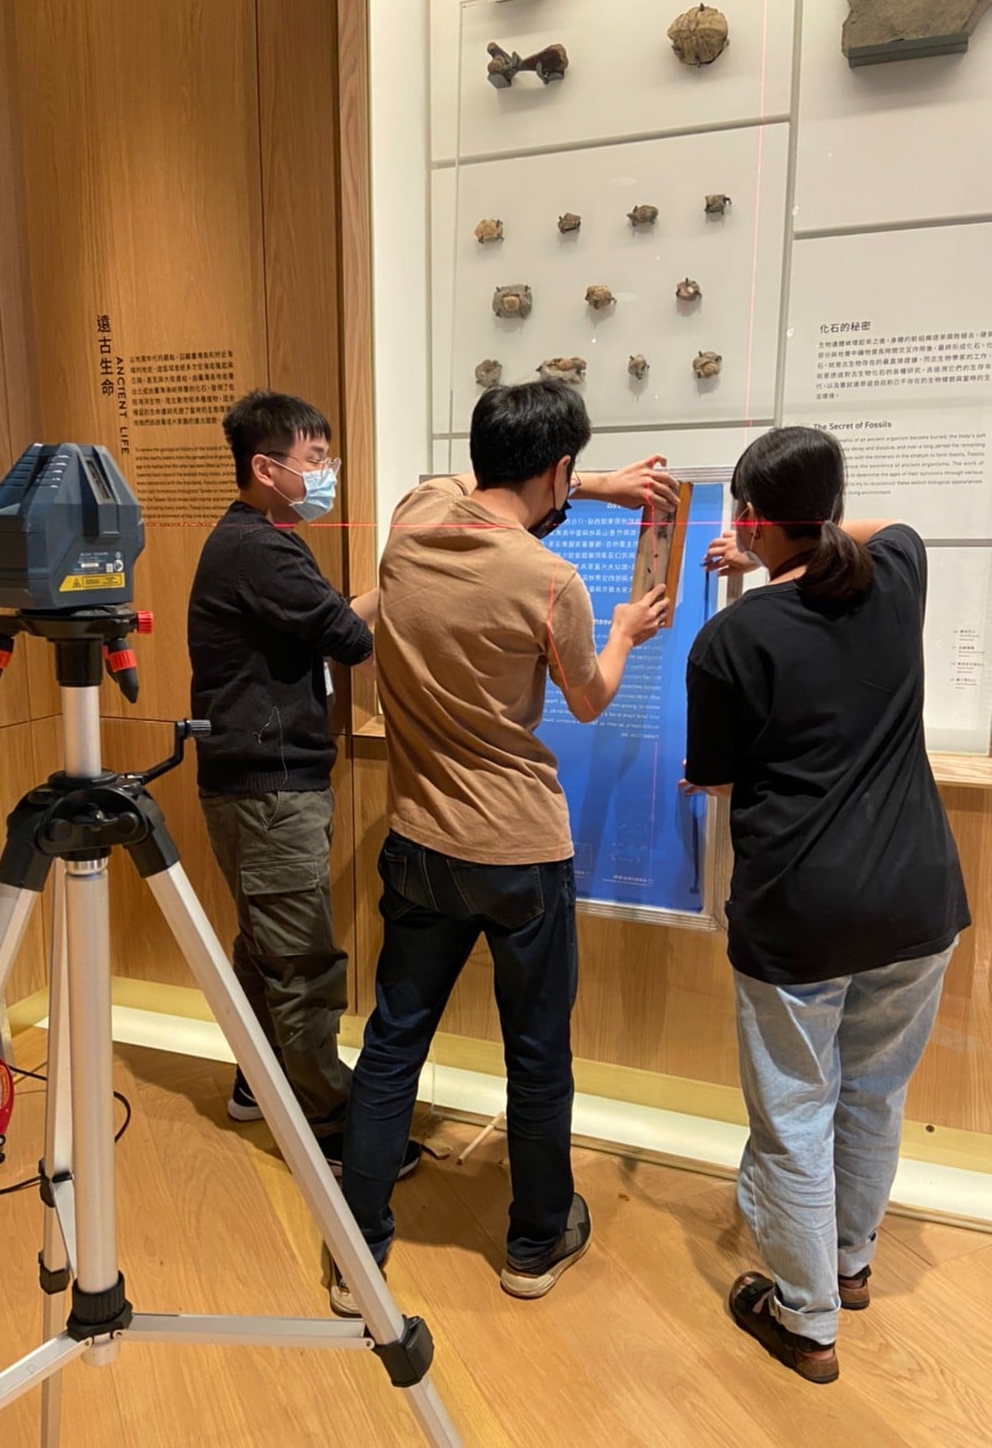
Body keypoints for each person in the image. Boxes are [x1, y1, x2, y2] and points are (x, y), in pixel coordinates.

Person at [331, 379, 674, 1315]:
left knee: (393, 1042)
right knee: (536, 1052)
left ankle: (357, 1251)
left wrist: (588, 483)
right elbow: (590, 699)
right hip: (520, 849)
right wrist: (626, 632)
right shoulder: (549, 580)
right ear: (556, 469)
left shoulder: (411, 524)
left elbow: (463, 482)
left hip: (419, 840)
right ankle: (533, 1242)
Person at [681, 425, 970, 1384]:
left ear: (751, 520)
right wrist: (788, 540)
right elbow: (889, 529)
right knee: (874, 1094)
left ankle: (806, 1320)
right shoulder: (895, 578)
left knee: (795, 1112)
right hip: (916, 899)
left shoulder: (732, 636)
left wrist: (759, 563)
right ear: (833, 510)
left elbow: (715, 777)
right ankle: (848, 1265)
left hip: (801, 910)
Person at [187, 388, 419, 1179]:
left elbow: (329, 619)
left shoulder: (256, 541)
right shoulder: (260, 548)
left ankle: (257, 1081)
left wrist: (395, 584)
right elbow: (349, 636)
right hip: (269, 787)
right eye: (315, 460)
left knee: (266, 946)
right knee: (301, 962)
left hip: (256, 781)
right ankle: (330, 1120)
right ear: (267, 467)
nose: (327, 474)